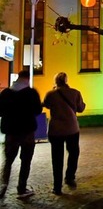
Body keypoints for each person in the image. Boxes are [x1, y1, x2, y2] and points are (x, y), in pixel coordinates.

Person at [0, 70, 43, 199]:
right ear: (27, 79)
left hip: (11, 132)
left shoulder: (6, 93)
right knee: (26, 160)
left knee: (8, 160)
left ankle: (3, 186)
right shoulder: (31, 93)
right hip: (27, 131)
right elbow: (38, 110)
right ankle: (21, 188)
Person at [43, 72, 86, 196]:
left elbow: (46, 104)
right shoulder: (75, 93)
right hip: (71, 128)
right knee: (74, 153)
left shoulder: (51, 94)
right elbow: (81, 108)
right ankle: (70, 176)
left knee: (57, 158)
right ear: (66, 80)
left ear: (55, 81)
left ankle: (57, 187)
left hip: (55, 130)